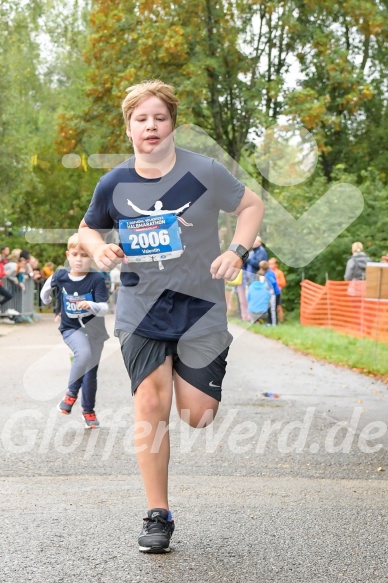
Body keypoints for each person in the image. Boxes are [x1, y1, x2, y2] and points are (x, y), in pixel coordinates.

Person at [78, 79, 263, 553]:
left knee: (197, 415)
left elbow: (250, 205)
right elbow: (88, 227)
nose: (151, 126)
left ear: (173, 123)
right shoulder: (114, 182)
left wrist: (238, 251)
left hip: (200, 306)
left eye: (159, 117)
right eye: (141, 118)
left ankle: (194, 373)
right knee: (150, 404)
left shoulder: (204, 171)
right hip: (142, 307)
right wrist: (99, 250)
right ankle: (158, 513)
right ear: (129, 128)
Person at [40, 233, 109, 428]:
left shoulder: (96, 279)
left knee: (90, 373)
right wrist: (47, 301)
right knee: (83, 354)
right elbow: (48, 288)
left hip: (95, 332)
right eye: (75, 254)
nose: (79, 259)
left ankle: (88, 412)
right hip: (71, 329)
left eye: (85, 255)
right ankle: (71, 394)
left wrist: (91, 305)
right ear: (68, 255)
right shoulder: (61, 275)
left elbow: (105, 308)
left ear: (92, 257)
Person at [259, 260, 280, 325]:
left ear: (262, 268)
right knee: (269, 308)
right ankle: (269, 322)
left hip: (274, 294)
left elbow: (272, 282)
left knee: (272, 309)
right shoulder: (271, 271)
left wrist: (270, 289)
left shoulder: (268, 274)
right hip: (274, 293)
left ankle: (274, 323)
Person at [268, 257, 286, 323]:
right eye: (269, 264)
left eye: (272, 264)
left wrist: (276, 282)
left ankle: (281, 321)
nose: (270, 266)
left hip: (278, 291)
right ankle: (272, 320)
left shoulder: (279, 272)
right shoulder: (269, 272)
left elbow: (283, 283)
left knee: (279, 307)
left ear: (276, 264)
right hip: (270, 292)